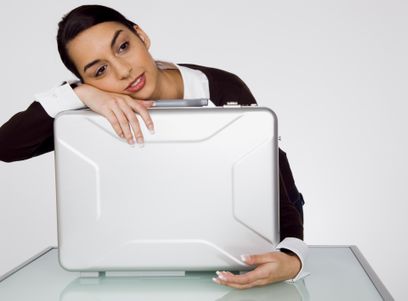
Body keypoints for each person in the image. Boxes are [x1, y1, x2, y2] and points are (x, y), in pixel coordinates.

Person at [0, 4, 306, 289]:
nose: (122, 71)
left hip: (229, 260)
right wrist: (78, 95)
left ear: (141, 35)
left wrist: (293, 257)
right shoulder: (92, 110)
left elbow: (279, 190)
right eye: (99, 71)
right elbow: (6, 147)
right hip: (137, 272)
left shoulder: (223, 88)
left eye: (123, 47)